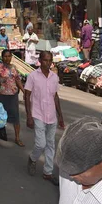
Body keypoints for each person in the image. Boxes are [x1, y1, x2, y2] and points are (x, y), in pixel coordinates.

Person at [25, 51, 65, 182]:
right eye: (46, 60)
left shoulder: (54, 77)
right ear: (40, 60)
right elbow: (26, 95)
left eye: (50, 60)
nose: (48, 63)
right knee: (40, 144)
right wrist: (29, 116)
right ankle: (33, 158)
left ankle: (47, 172)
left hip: (51, 115)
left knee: (50, 144)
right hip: (38, 113)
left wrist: (60, 116)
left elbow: (56, 96)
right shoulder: (32, 76)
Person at [0, 50, 25, 147]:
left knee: (15, 117)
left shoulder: (14, 68)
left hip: (13, 95)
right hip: (1, 95)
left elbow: (17, 80)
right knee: (0, 116)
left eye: (9, 56)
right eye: (5, 56)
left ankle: (17, 138)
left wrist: (24, 91)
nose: (7, 58)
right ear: (2, 57)